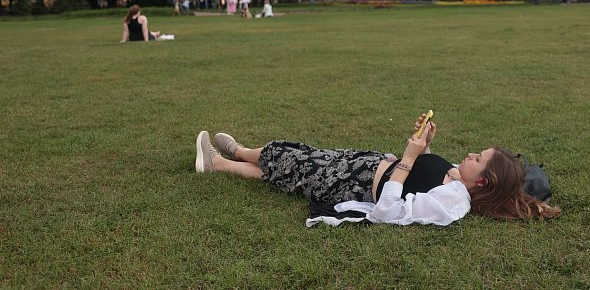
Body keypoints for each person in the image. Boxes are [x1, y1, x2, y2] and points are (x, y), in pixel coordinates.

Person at [194, 114, 561, 225]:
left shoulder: (453, 202)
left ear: (481, 179)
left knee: (292, 160)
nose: (469, 154)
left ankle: (226, 159)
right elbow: (424, 171)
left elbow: (388, 212)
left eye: (477, 158)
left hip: (351, 183)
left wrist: (407, 156)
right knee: (296, 163)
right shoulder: (456, 175)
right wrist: (426, 143)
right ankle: (235, 155)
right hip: (365, 164)